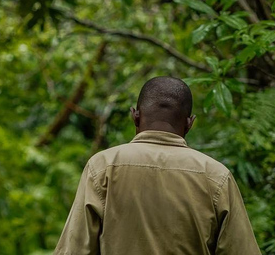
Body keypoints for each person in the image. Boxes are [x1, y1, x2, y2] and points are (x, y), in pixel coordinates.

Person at [53, 76, 261, 255]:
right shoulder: (216, 176)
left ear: (135, 116)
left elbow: (75, 248)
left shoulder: (103, 166)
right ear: (190, 123)